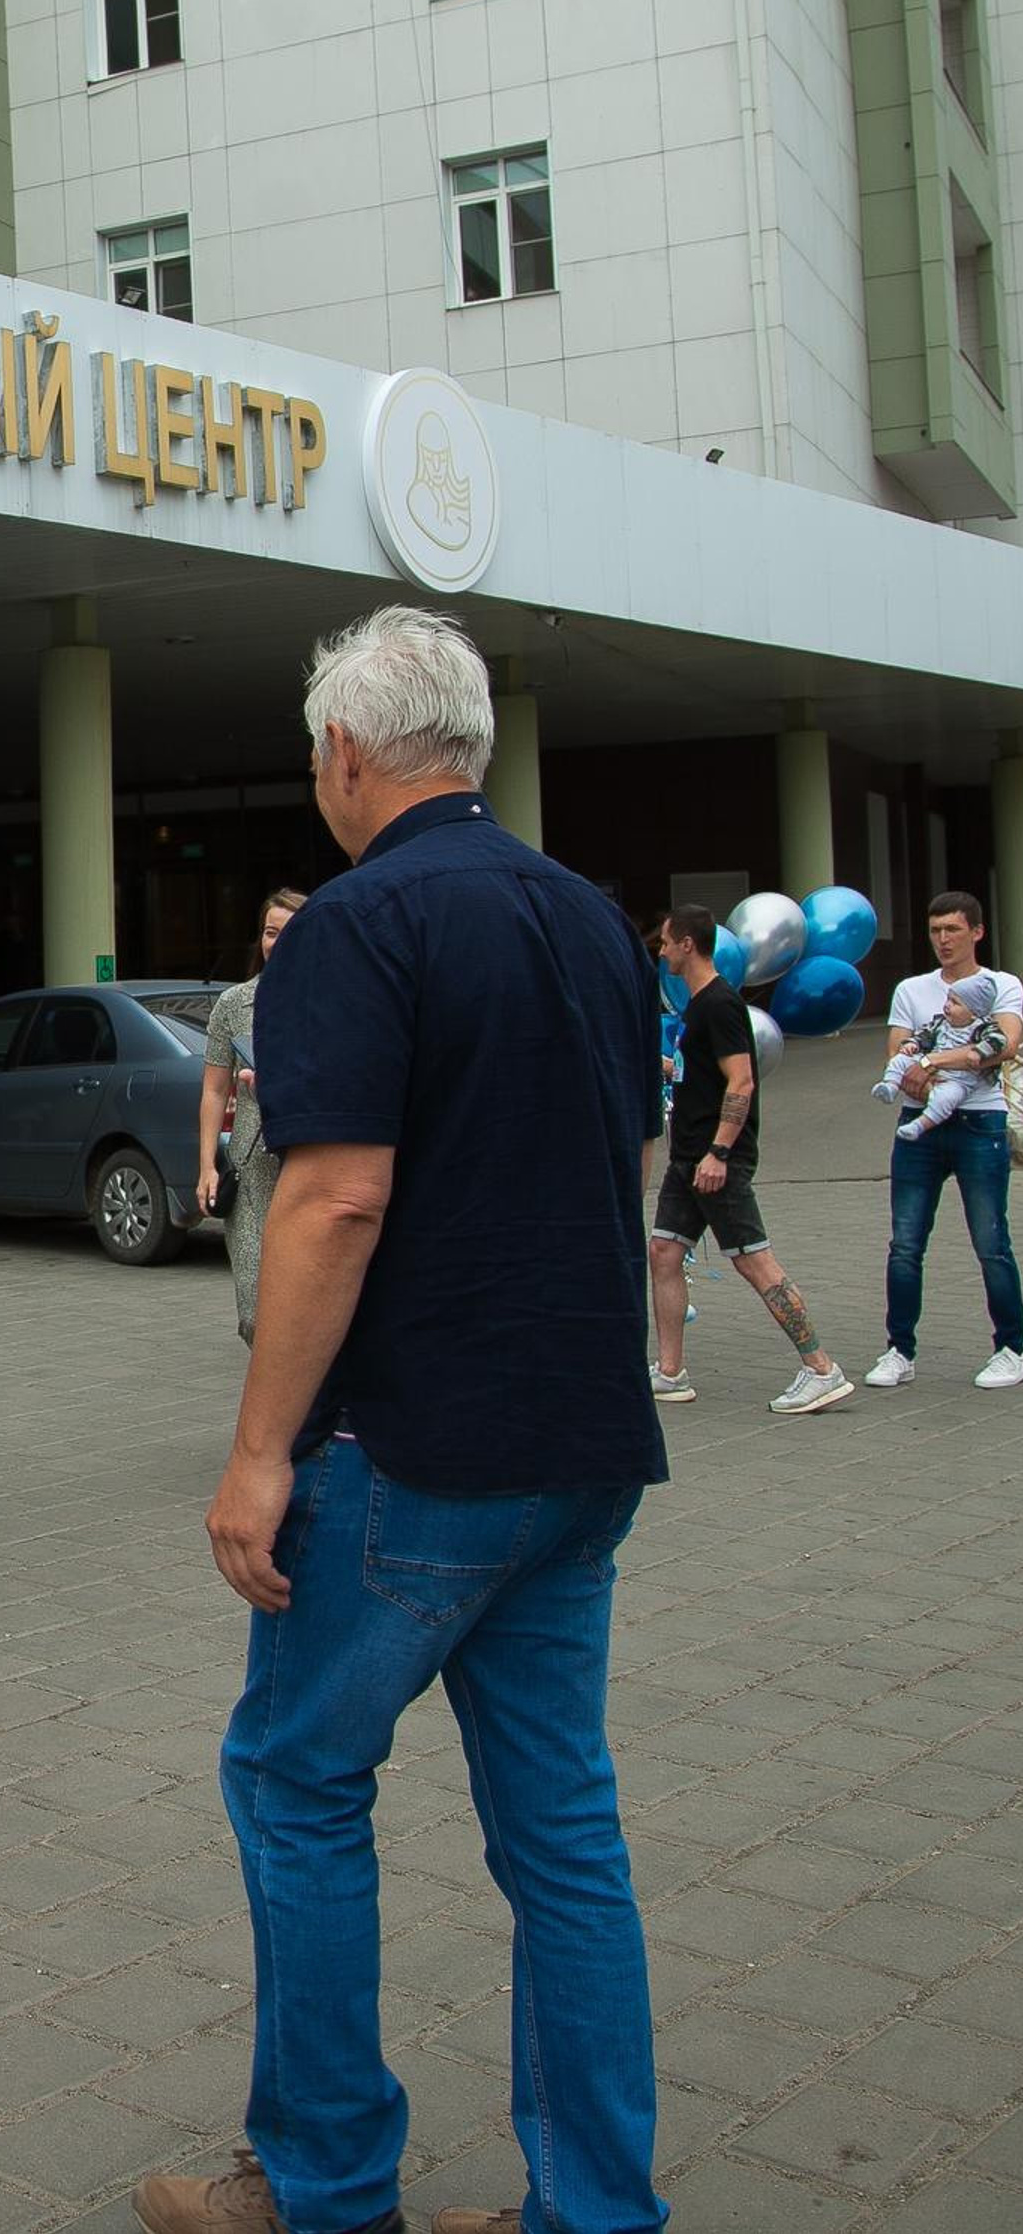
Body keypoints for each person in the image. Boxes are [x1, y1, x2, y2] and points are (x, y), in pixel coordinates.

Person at [134, 608, 666, 2234]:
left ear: (347, 755)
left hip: (411, 1456)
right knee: (564, 1831)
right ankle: (596, 2207)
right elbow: (619, 1160)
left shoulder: (357, 931)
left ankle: (322, 2187)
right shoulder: (589, 921)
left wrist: (256, 1450)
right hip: (580, 1443)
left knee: (296, 1784)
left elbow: (333, 1202)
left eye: (316, 756)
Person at [648, 905, 852, 1415]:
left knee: (753, 1261)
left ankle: (821, 1368)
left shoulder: (718, 1004)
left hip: (715, 1163)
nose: (662, 950)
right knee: (663, 1253)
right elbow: (703, 1074)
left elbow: (741, 1081)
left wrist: (720, 1152)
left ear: (688, 944)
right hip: (688, 1160)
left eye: (667, 942)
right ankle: (671, 1372)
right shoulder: (698, 1006)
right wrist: (664, 1064)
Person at [866, 892, 1023, 1391]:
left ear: (976, 932)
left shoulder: (1001, 985)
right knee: (905, 1243)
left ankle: (1012, 1347)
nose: (943, 940)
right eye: (936, 931)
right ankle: (899, 1349)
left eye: (953, 929)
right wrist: (930, 1069)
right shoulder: (912, 989)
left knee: (991, 1241)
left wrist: (930, 1064)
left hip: (980, 1124)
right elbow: (897, 1051)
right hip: (920, 1127)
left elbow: (1003, 1046)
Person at [198, 889, 308, 1343]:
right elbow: (212, 1089)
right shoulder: (233, 1004)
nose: (277, 943)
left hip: (306, 1162)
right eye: (270, 932)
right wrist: (206, 1165)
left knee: (304, 1295)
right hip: (249, 1171)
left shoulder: (332, 999)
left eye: (290, 932)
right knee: (253, 1305)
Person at [874, 972, 1000, 1138]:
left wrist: (979, 1051)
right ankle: (890, 1085)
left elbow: (998, 1041)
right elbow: (925, 1034)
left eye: (955, 1003)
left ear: (974, 1013)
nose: (947, 1005)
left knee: (945, 1099)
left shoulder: (982, 1027)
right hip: (930, 1064)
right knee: (901, 1059)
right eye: (948, 999)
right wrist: (913, 1044)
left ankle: (919, 1125)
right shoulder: (941, 1022)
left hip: (958, 1079)